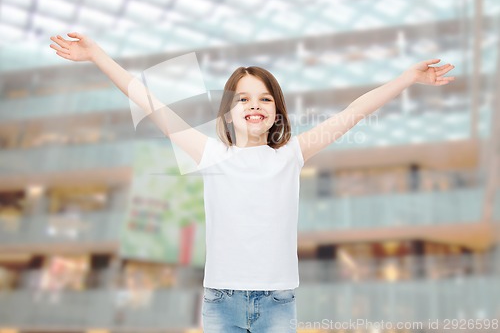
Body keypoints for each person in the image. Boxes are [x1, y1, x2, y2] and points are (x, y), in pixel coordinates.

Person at [49, 32, 455, 332]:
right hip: (220, 303)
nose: (254, 105)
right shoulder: (210, 154)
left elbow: (353, 111)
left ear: (277, 111)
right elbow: (150, 102)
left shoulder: (291, 155)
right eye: (243, 98)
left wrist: (408, 78)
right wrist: (97, 54)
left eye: (264, 98)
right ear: (228, 113)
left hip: (279, 304)